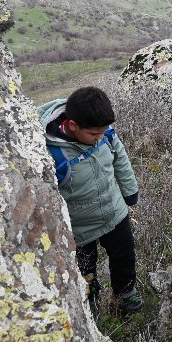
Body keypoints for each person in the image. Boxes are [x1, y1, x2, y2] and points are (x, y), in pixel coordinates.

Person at [37, 86, 143, 316]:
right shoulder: (53, 152)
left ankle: (126, 292)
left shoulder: (104, 132)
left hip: (114, 210)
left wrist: (130, 191)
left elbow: (121, 159)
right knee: (85, 265)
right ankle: (89, 294)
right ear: (73, 126)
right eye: (94, 134)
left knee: (124, 255)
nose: (100, 137)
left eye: (103, 132)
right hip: (79, 225)